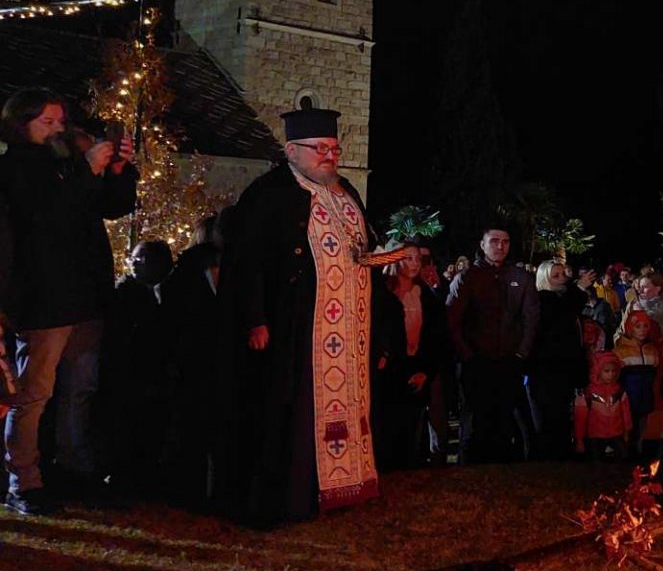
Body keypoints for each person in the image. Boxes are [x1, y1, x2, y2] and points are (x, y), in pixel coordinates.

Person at [215, 106, 396, 524]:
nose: (329, 156)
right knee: (294, 413)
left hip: (349, 333)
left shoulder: (345, 192)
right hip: (297, 329)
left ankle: (349, 483)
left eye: (333, 148)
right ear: (291, 150)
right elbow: (246, 263)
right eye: (320, 149)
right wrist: (255, 318)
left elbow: (361, 248)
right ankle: (299, 493)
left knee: (350, 407)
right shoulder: (268, 195)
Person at [0, 88, 138, 515]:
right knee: (33, 394)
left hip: (85, 296)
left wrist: (117, 169)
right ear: (21, 124)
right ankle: (23, 479)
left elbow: (112, 207)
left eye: (61, 121)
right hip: (45, 300)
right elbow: (47, 219)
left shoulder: (66, 165)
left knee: (80, 389)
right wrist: (86, 169)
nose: (59, 129)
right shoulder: (15, 169)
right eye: (48, 122)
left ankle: (74, 468)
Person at [445, 226, 540, 463]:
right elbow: (452, 320)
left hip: (509, 359)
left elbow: (531, 318)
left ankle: (503, 463)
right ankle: (470, 463)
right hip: (475, 360)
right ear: (483, 244)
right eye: (494, 241)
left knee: (505, 414)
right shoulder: (468, 277)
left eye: (505, 242)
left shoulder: (520, 278)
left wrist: (520, 353)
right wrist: (467, 355)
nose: (500, 246)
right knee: (474, 416)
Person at [100, 238, 175, 493]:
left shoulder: (161, 295)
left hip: (145, 373)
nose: (136, 262)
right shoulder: (127, 295)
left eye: (143, 258)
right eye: (135, 257)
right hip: (130, 373)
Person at [159, 213, 223, 506]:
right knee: (204, 424)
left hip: (186, 354)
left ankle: (186, 487)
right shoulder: (211, 266)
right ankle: (202, 490)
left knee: (189, 424)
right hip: (206, 353)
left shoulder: (182, 268)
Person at [375, 239, 452, 468]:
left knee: (412, 430)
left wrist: (425, 371)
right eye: (408, 258)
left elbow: (436, 338)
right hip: (387, 372)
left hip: (416, 370)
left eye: (418, 258)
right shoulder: (380, 295)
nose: (415, 263)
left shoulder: (427, 297)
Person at [526, 259, 586, 459]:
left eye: (563, 274)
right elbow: (560, 321)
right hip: (546, 369)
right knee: (548, 417)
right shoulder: (543, 301)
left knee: (561, 415)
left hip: (563, 369)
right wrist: (578, 289)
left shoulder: (563, 299)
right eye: (556, 275)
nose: (562, 279)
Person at [613, 308, 663, 461]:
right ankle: (626, 455)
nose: (642, 330)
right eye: (638, 326)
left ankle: (638, 455)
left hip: (646, 395)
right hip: (628, 396)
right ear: (630, 328)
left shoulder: (651, 350)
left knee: (642, 427)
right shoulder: (621, 351)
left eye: (645, 326)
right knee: (628, 427)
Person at [574, 351, 631, 460]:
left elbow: (626, 413)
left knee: (624, 459)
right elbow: (580, 419)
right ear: (597, 371)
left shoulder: (619, 391)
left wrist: (627, 431)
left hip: (616, 433)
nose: (611, 374)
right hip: (595, 436)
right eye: (607, 371)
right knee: (596, 463)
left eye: (614, 371)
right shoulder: (588, 393)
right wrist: (579, 440)